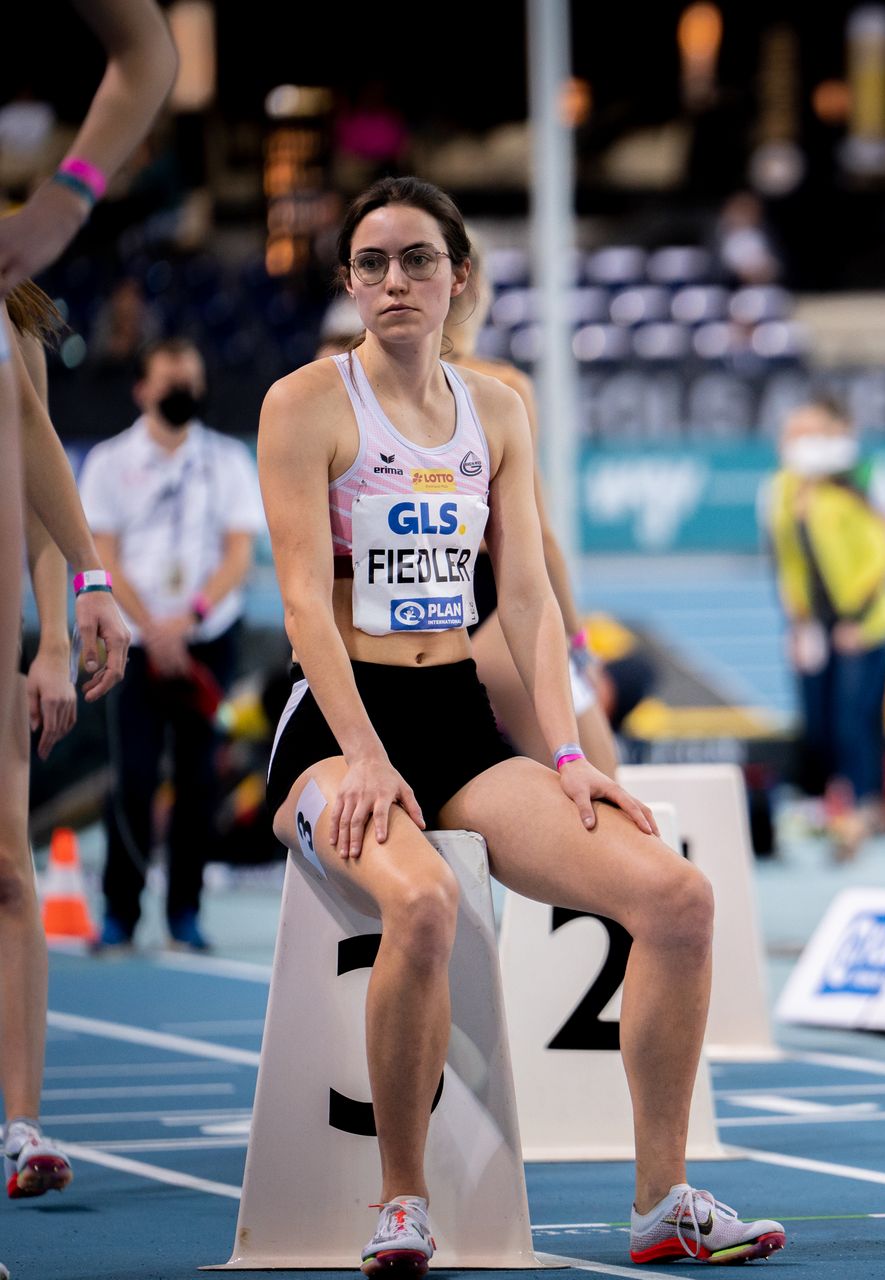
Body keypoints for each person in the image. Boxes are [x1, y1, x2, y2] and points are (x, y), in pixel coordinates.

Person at [257, 176, 783, 1273]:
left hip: (457, 716)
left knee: (678, 897)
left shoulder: (498, 408)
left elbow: (531, 600)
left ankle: (661, 1197)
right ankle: (401, 1201)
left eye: (415, 260)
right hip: (339, 719)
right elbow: (304, 601)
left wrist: (570, 754)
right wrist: (359, 754)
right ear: (350, 281)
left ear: (457, 275)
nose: (393, 280)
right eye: (370, 263)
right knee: (427, 901)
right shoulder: (305, 402)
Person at [324, 251, 621, 775]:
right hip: (484, 589)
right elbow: (539, 537)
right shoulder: (500, 389)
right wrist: (577, 642)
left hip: (394, 601)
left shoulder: (366, 384)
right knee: (592, 769)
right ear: (467, 284)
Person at [3, 286, 132, 1205]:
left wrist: (57, 635)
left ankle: (23, 1126)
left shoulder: (13, 328)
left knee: (11, 877)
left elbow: (35, 477)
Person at [76, 338, 263, 952]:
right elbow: (102, 553)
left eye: (191, 378)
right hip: (131, 636)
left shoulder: (228, 461)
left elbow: (239, 553)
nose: (182, 389)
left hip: (206, 637)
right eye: (169, 379)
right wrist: (151, 626)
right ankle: (120, 915)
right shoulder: (109, 461)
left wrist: (190, 617)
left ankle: (186, 912)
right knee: (131, 777)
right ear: (142, 389)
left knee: (197, 780)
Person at [764, 396, 885, 859]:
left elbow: (884, 549)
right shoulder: (781, 490)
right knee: (818, 721)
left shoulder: (858, 481)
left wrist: (856, 617)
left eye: (810, 433)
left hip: (863, 622)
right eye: (793, 434)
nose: (799, 442)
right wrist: (798, 622)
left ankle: (865, 807)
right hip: (814, 625)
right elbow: (786, 562)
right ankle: (827, 808)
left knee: (855, 721)